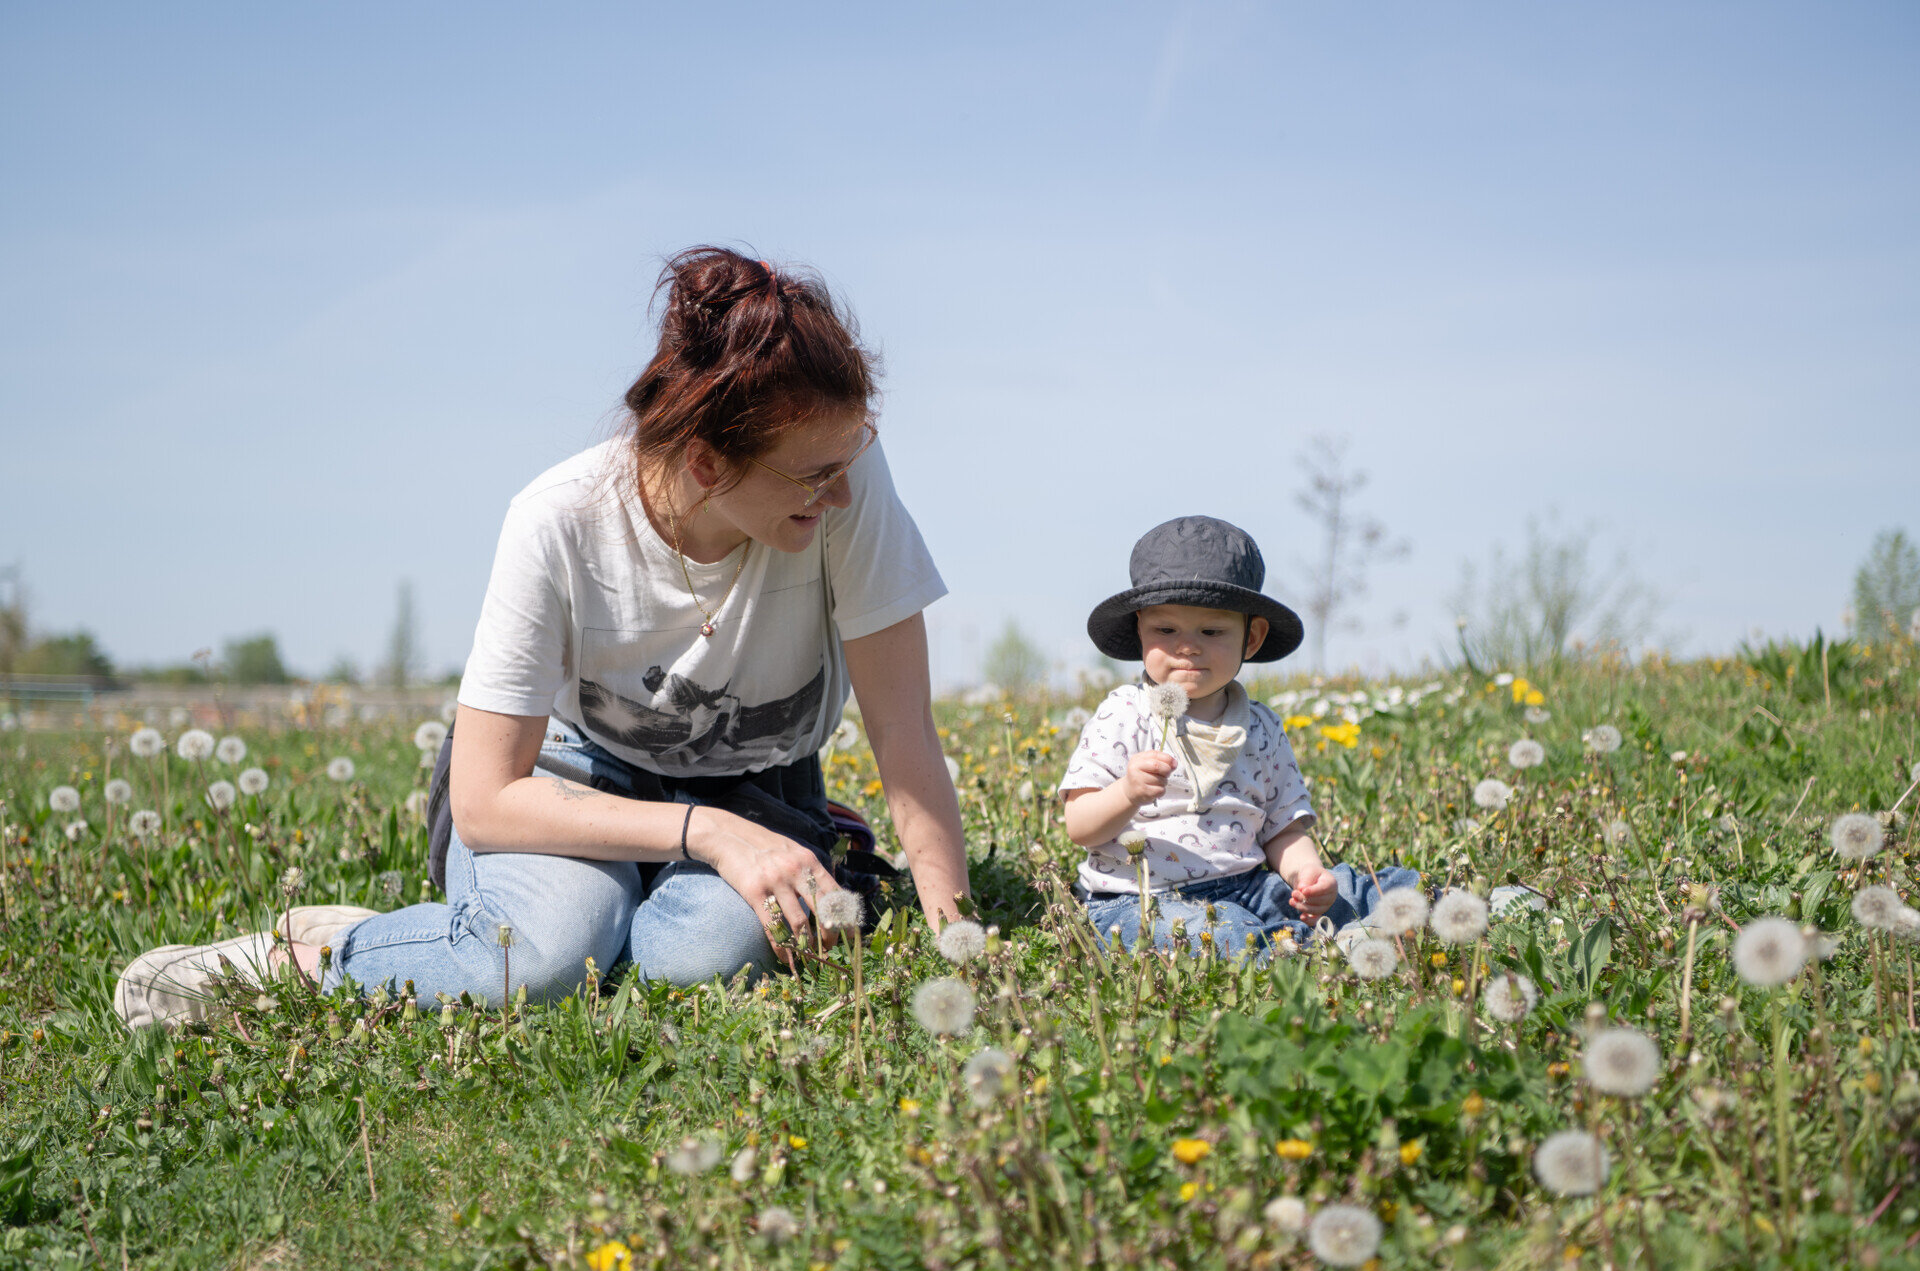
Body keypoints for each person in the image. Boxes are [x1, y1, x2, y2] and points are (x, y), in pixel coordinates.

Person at [117, 247, 969, 1029]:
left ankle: (586, 907)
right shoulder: (556, 522)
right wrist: (704, 835)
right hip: (569, 775)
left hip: (757, 780)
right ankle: (307, 959)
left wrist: (958, 940)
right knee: (541, 961)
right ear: (708, 464)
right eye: (814, 475)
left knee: (700, 959)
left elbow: (903, 732)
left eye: (849, 458)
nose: (841, 494)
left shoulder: (846, 476)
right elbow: (488, 798)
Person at [1059, 515, 1418, 957]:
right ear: (1139, 628)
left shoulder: (1261, 727)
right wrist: (1127, 792)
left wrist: (1308, 875)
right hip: (1139, 901)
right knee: (1228, 933)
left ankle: (1441, 903)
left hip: (1249, 884)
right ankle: (1319, 952)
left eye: (1211, 631)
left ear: (1252, 638)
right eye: (1165, 630)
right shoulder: (1124, 713)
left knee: (1352, 889)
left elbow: (1282, 829)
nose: (1187, 646)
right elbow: (1080, 825)